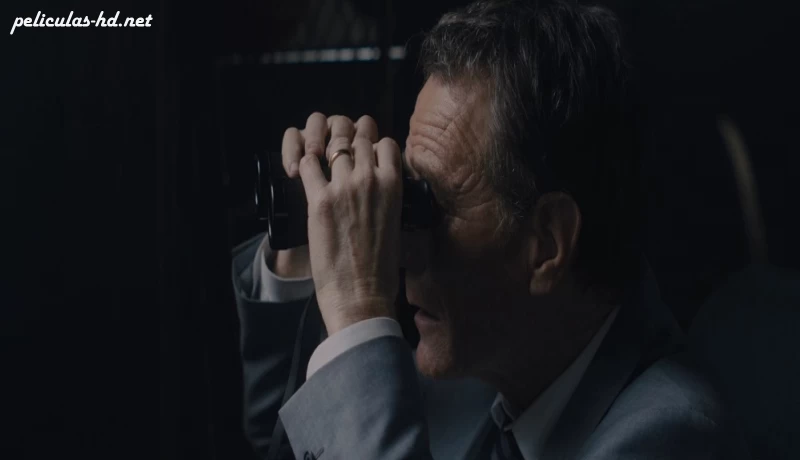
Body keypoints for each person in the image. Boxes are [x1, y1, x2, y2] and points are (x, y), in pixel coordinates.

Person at [232, 1, 748, 458]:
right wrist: (311, 243)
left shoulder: (671, 437)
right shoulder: (484, 367)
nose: (401, 248)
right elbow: (288, 443)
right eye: (408, 192)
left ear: (546, 243)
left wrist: (357, 313)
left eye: (432, 205)